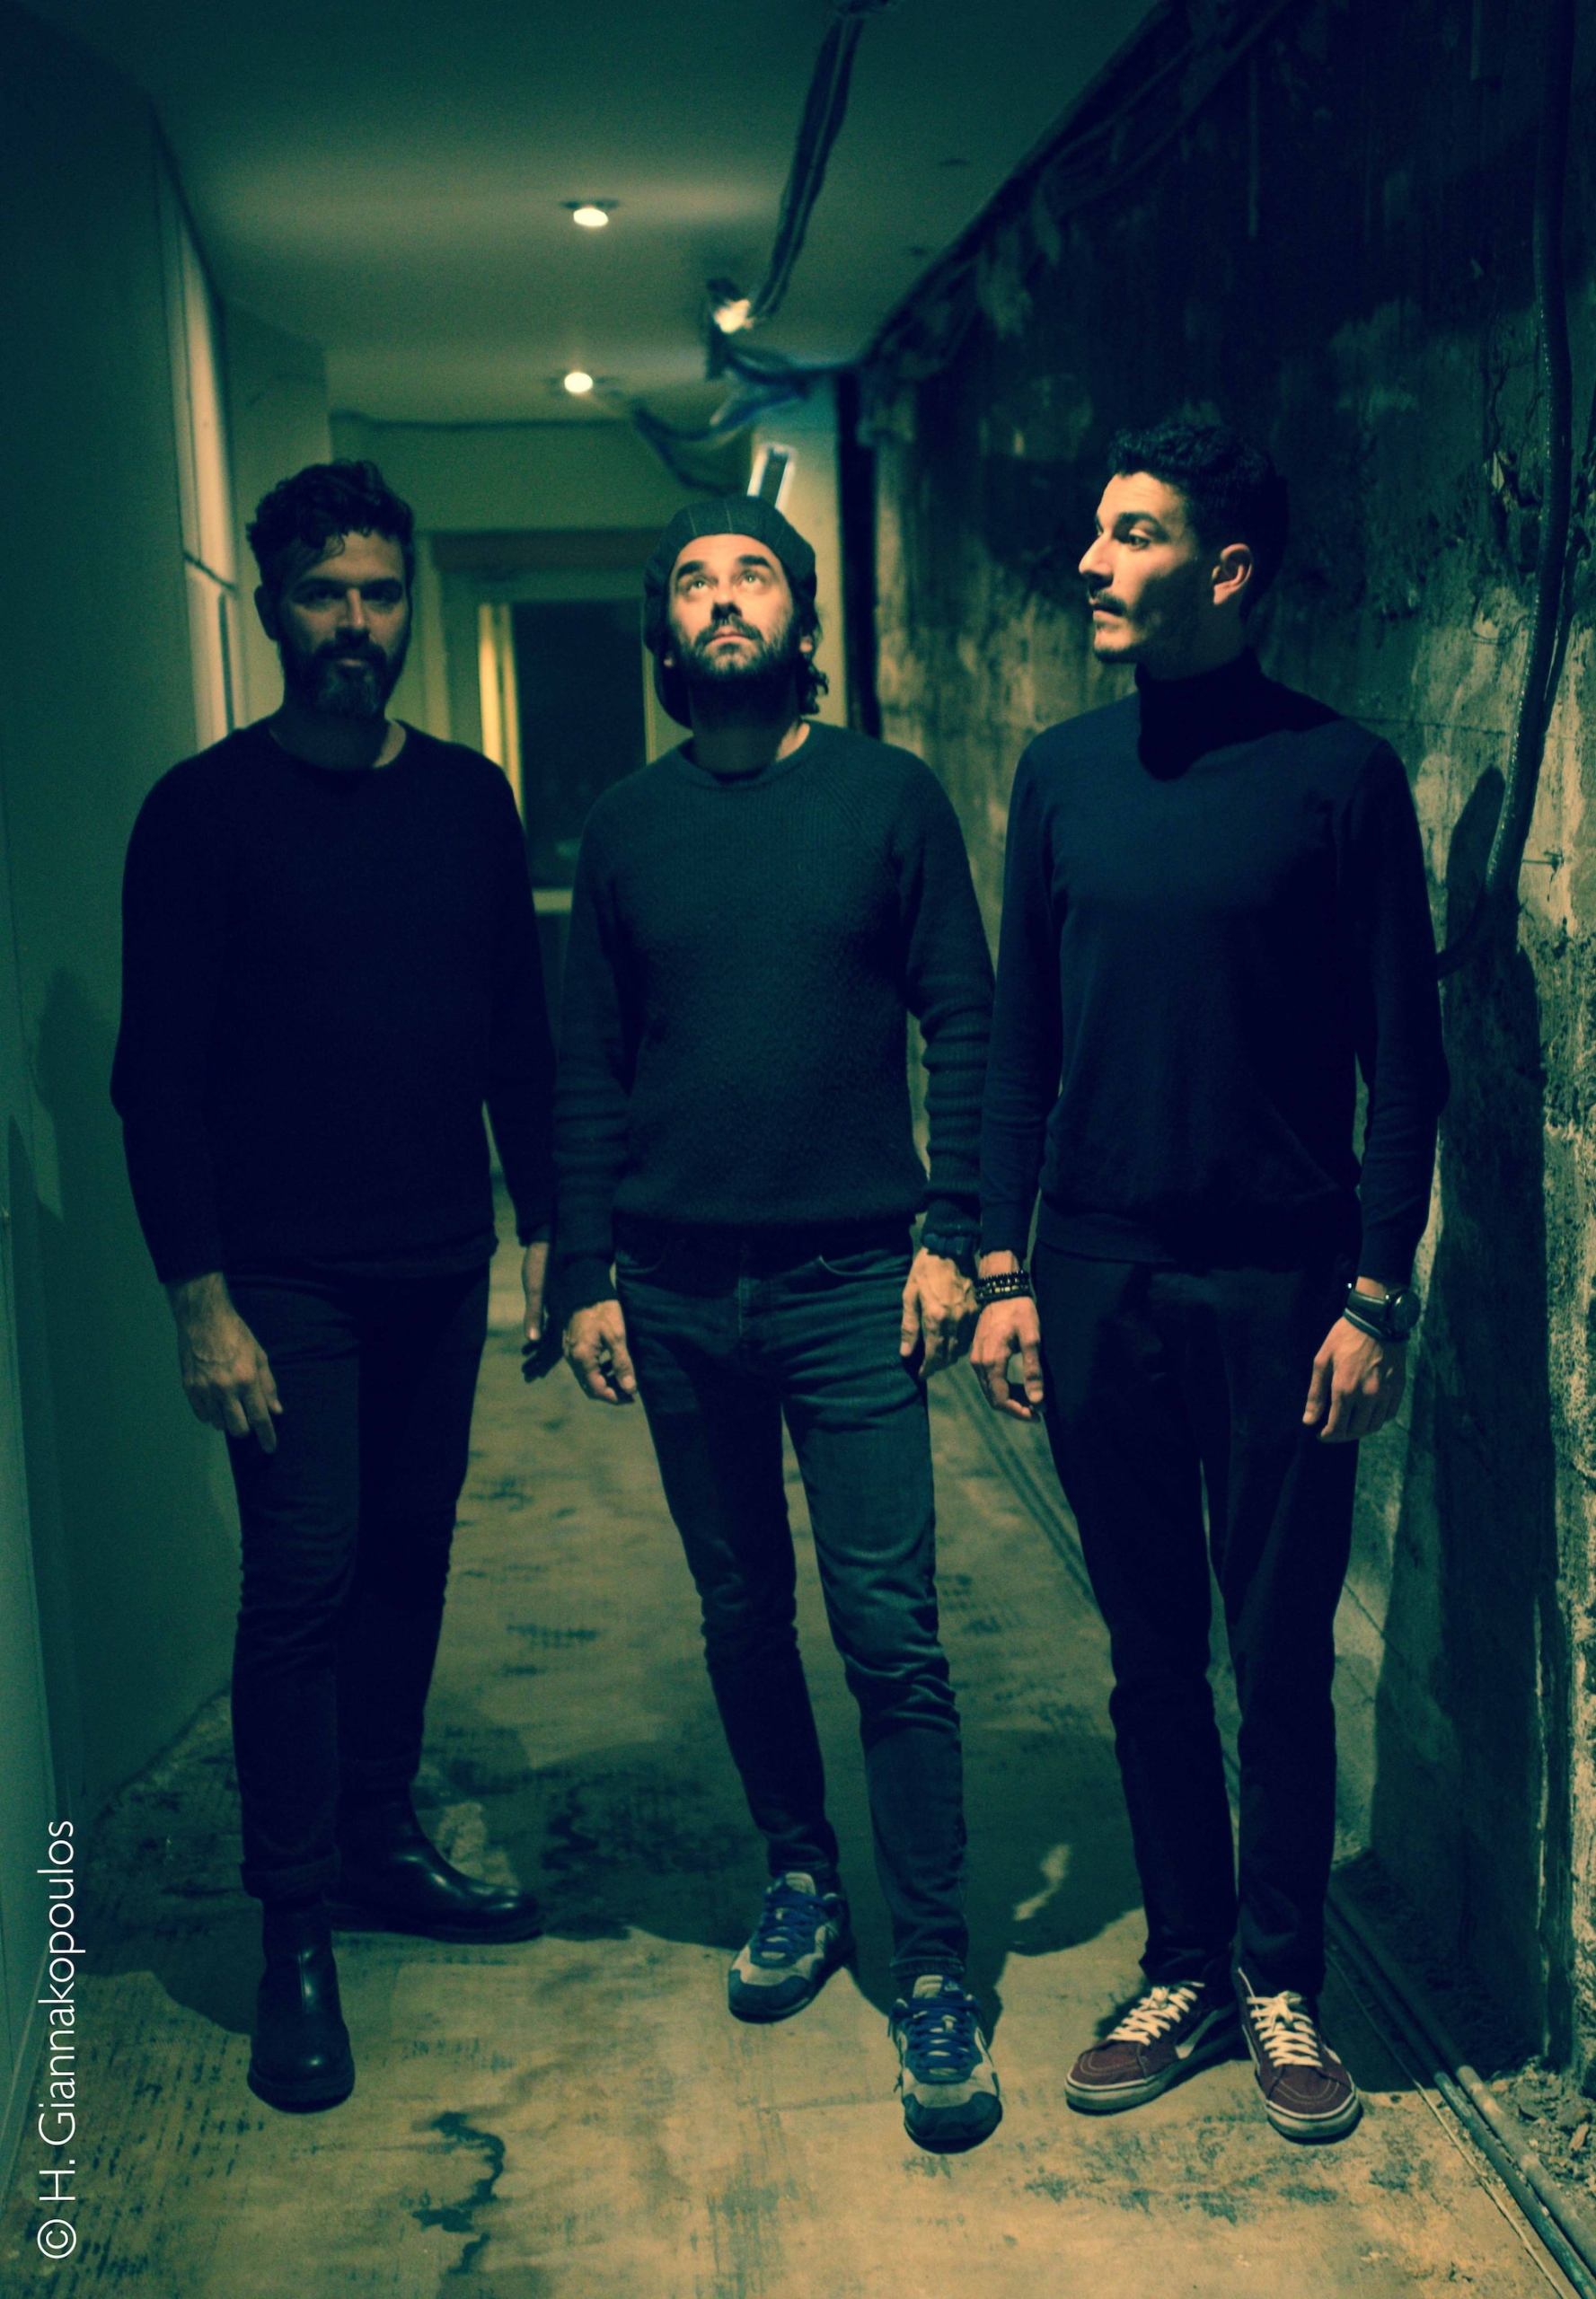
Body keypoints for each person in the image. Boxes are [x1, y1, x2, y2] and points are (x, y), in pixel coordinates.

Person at [971, 421, 1448, 2144]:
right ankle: (1179, 1964)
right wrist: (1003, 1265)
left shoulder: (1340, 777)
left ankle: (1281, 1978)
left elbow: (1406, 1062)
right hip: (1097, 1275)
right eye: (1095, 531)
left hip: (1281, 1287)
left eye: (1130, 534)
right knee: (1149, 1652)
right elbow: (1019, 1040)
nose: (1089, 563)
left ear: (1224, 571)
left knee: (1278, 1650)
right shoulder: (1060, 775)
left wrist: (1373, 1295)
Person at [554, 498, 1001, 2152]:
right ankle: (800, 1876)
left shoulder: (886, 795)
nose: (724, 598)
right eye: (694, 579)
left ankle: (934, 1965)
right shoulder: (625, 825)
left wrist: (956, 1239)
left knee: (890, 1632)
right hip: (674, 1289)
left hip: (851, 1284)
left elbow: (964, 1019)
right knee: (739, 1610)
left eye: (753, 574)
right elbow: (588, 1064)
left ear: (802, 619)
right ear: (664, 633)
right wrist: (583, 1271)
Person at [112, 460, 555, 2115]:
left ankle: (376, 1833)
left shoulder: (469, 800)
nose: (355, 623)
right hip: (282, 1277)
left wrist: (547, 1237)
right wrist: (197, 1299)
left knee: (408, 1558)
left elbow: (518, 1033)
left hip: (439, 1259)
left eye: (378, 592)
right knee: (301, 1581)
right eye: (323, 595)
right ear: (271, 606)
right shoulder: (202, 812)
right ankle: (292, 1927)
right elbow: (154, 1080)